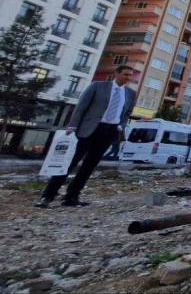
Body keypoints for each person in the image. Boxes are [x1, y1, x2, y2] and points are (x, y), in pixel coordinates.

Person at [35, 65, 136, 208]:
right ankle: (48, 196)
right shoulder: (98, 86)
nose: (128, 78)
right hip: (89, 129)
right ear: (116, 73)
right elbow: (81, 106)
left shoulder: (130, 93)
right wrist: (73, 126)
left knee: (89, 166)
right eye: (126, 74)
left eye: (130, 75)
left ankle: (72, 197)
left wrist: (121, 125)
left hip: (109, 131)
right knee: (70, 163)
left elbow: (127, 112)